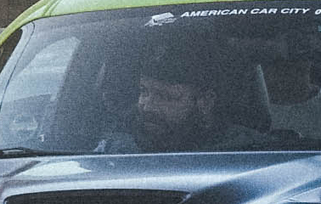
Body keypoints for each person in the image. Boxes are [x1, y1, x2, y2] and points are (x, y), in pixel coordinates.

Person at [98, 43, 266, 153]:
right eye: (144, 91)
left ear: (205, 101)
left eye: (165, 96)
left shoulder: (248, 152)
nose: (148, 107)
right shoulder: (111, 150)